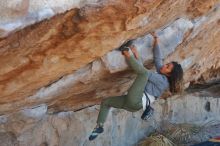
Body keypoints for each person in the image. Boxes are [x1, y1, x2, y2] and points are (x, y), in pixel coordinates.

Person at [89, 32, 183, 141]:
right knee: (106, 102)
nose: (164, 66)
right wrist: (156, 39)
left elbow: (144, 73)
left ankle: (126, 52)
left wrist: (131, 56)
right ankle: (99, 126)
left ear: (169, 74)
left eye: (167, 67)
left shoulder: (163, 81)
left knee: (144, 74)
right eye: (167, 64)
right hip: (133, 105)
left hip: (136, 100)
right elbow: (158, 58)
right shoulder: (162, 74)